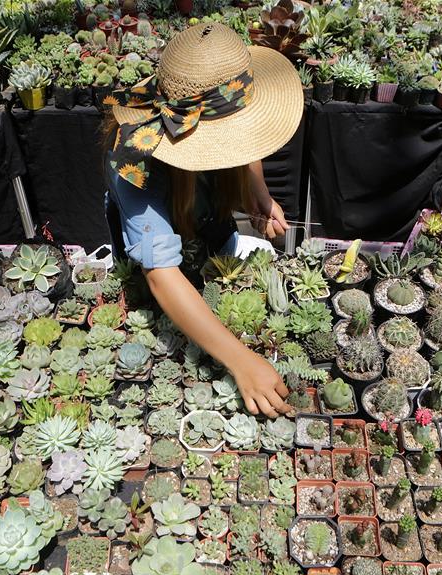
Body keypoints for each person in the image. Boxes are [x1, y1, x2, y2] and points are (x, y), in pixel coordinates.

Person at [103, 23, 304, 418]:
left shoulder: (229, 113)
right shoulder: (134, 157)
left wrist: (258, 196)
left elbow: (248, 143)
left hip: (210, 233)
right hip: (164, 279)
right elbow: (161, 275)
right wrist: (243, 363)